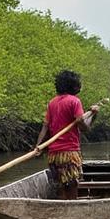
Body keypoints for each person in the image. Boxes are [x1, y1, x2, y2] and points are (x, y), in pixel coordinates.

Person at [34, 70, 99, 200]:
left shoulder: (52, 103)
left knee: (62, 186)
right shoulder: (75, 101)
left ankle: (63, 205)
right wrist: (94, 116)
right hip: (69, 153)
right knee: (72, 185)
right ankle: (71, 207)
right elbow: (82, 125)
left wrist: (38, 146)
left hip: (53, 155)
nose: (80, 87)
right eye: (78, 84)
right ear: (73, 86)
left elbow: (45, 127)